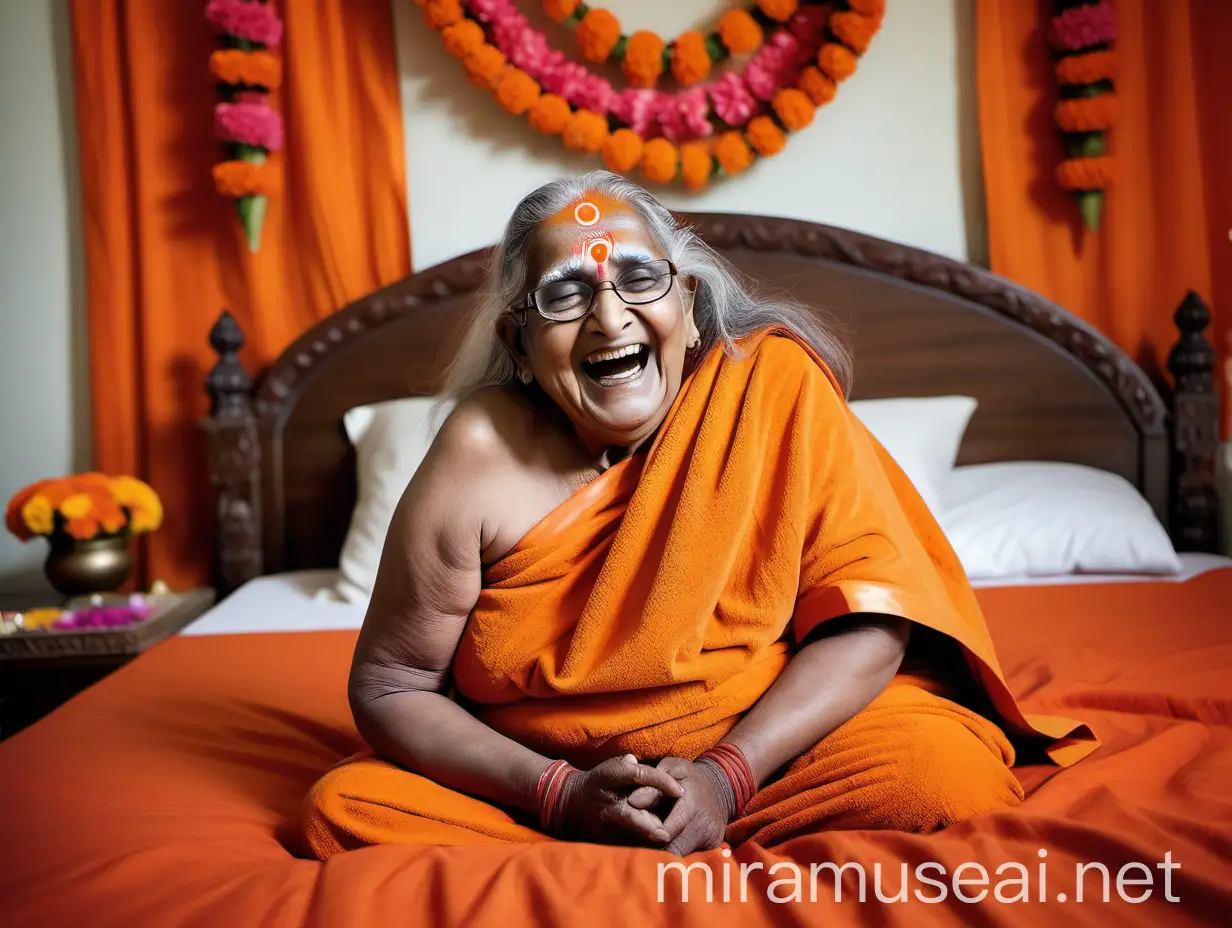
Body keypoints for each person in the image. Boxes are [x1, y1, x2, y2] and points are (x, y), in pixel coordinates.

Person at [296, 171, 1094, 859]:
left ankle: (677, 832)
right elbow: (394, 683)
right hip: (541, 781)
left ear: (687, 298)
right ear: (520, 339)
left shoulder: (769, 388)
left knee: (938, 775)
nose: (610, 320)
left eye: (639, 280)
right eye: (565, 296)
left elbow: (868, 623)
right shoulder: (478, 449)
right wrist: (559, 794)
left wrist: (724, 777)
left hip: (769, 756)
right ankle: (609, 832)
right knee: (346, 811)